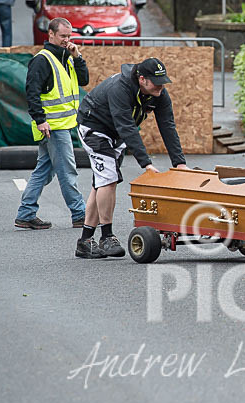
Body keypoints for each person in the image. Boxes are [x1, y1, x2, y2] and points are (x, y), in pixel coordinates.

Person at [74, 58, 187, 259]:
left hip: (115, 134)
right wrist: (146, 163)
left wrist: (179, 163)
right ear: (142, 79)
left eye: (163, 81)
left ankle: (85, 241)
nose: (161, 86)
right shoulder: (120, 88)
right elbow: (126, 126)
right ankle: (106, 237)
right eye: (156, 81)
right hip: (94, 128)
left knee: (101, 182)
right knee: (108, 179)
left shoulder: (159, 93)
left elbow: (167, 126)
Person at [15, 17, 89, 230]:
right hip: (53, 127)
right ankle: (80, 214)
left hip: (63, 124)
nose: (67, 40)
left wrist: (78, 56)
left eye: (69, 36)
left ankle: (26, 213)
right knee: (67, 170)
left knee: (44, 170)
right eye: (63, 36)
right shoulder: (43, 59)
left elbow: (83, 81)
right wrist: (40, 120)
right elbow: (32, 91)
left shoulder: (66, 57)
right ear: (51, 35)